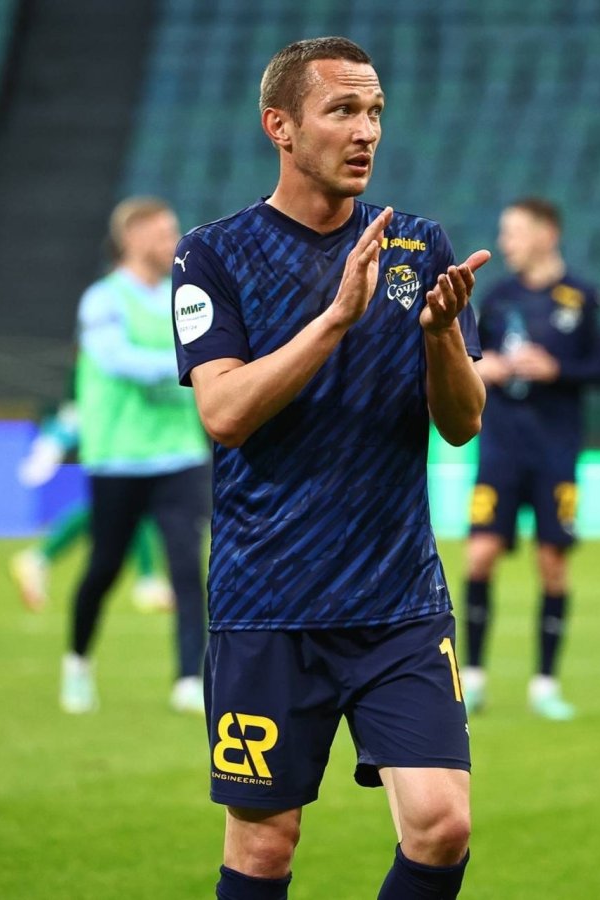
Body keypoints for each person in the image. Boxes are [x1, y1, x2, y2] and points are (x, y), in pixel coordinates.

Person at [172, 37, 490, 900]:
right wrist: (335, 319)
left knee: (443, 825)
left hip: (397, 602)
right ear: (279, 126)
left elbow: (462, 424)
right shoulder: (214, 255)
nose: (366, 131)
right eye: (342, 110)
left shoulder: (417, 245)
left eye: (375, 111)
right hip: (267, 606)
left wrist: (441, 339)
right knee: (264, 846)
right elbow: (225, 413)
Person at [460, 198, 600, 721]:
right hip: (499, 450)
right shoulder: (497, 298)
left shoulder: (583, 299)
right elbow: (466, 360)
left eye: (514, 232)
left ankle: (545, 684)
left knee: (552, 563)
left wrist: (556, 369)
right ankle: (473, 678)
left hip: (555, 452)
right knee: (479, 555)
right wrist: (483, 368)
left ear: (547, 234)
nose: (505, 242)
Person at [60, 196, 211, 715]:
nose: (173, 240)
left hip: (179, 452)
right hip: (119, 454)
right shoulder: (103, 299)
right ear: (132, 238)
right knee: (104, 566)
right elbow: (115, 359)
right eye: (163, 232)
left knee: (187, 566)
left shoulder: (183, 295)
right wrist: (191, 361)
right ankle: (78, 662)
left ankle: (189, 678)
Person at [10, 400, 174, 614]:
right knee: (129, 502)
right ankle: (147, 580)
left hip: (116, 430)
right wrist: (55, 441)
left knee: (121, 505)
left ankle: (39, 558)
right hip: (113, 433)